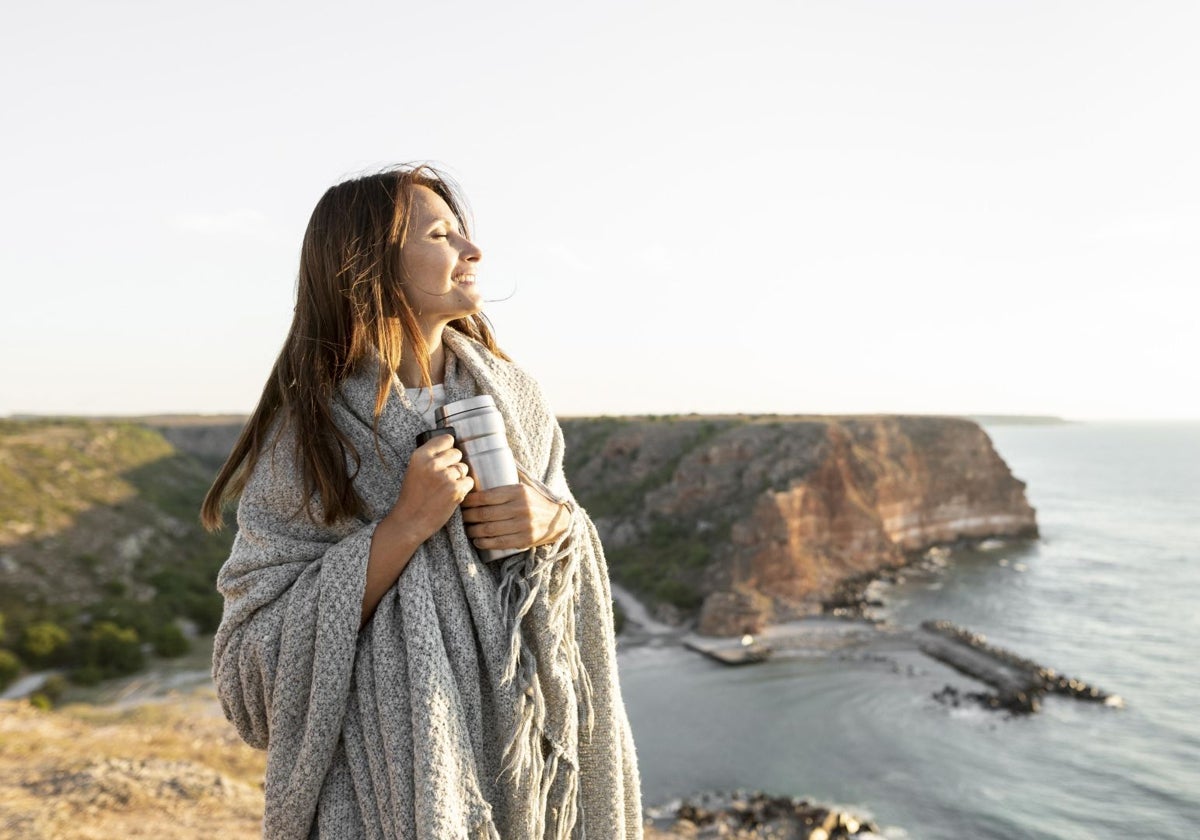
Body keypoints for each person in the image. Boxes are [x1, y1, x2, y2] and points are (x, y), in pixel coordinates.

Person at [201, 165, 642, 839]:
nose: (473, 251)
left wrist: (557, 525)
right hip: (383, 800)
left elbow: (562, 560)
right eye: (440, 234)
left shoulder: (517, 399)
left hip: (526, 780)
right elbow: (250, 679)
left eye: (463, 232)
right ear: (370, 266)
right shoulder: (307, 440)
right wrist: (403, 527)